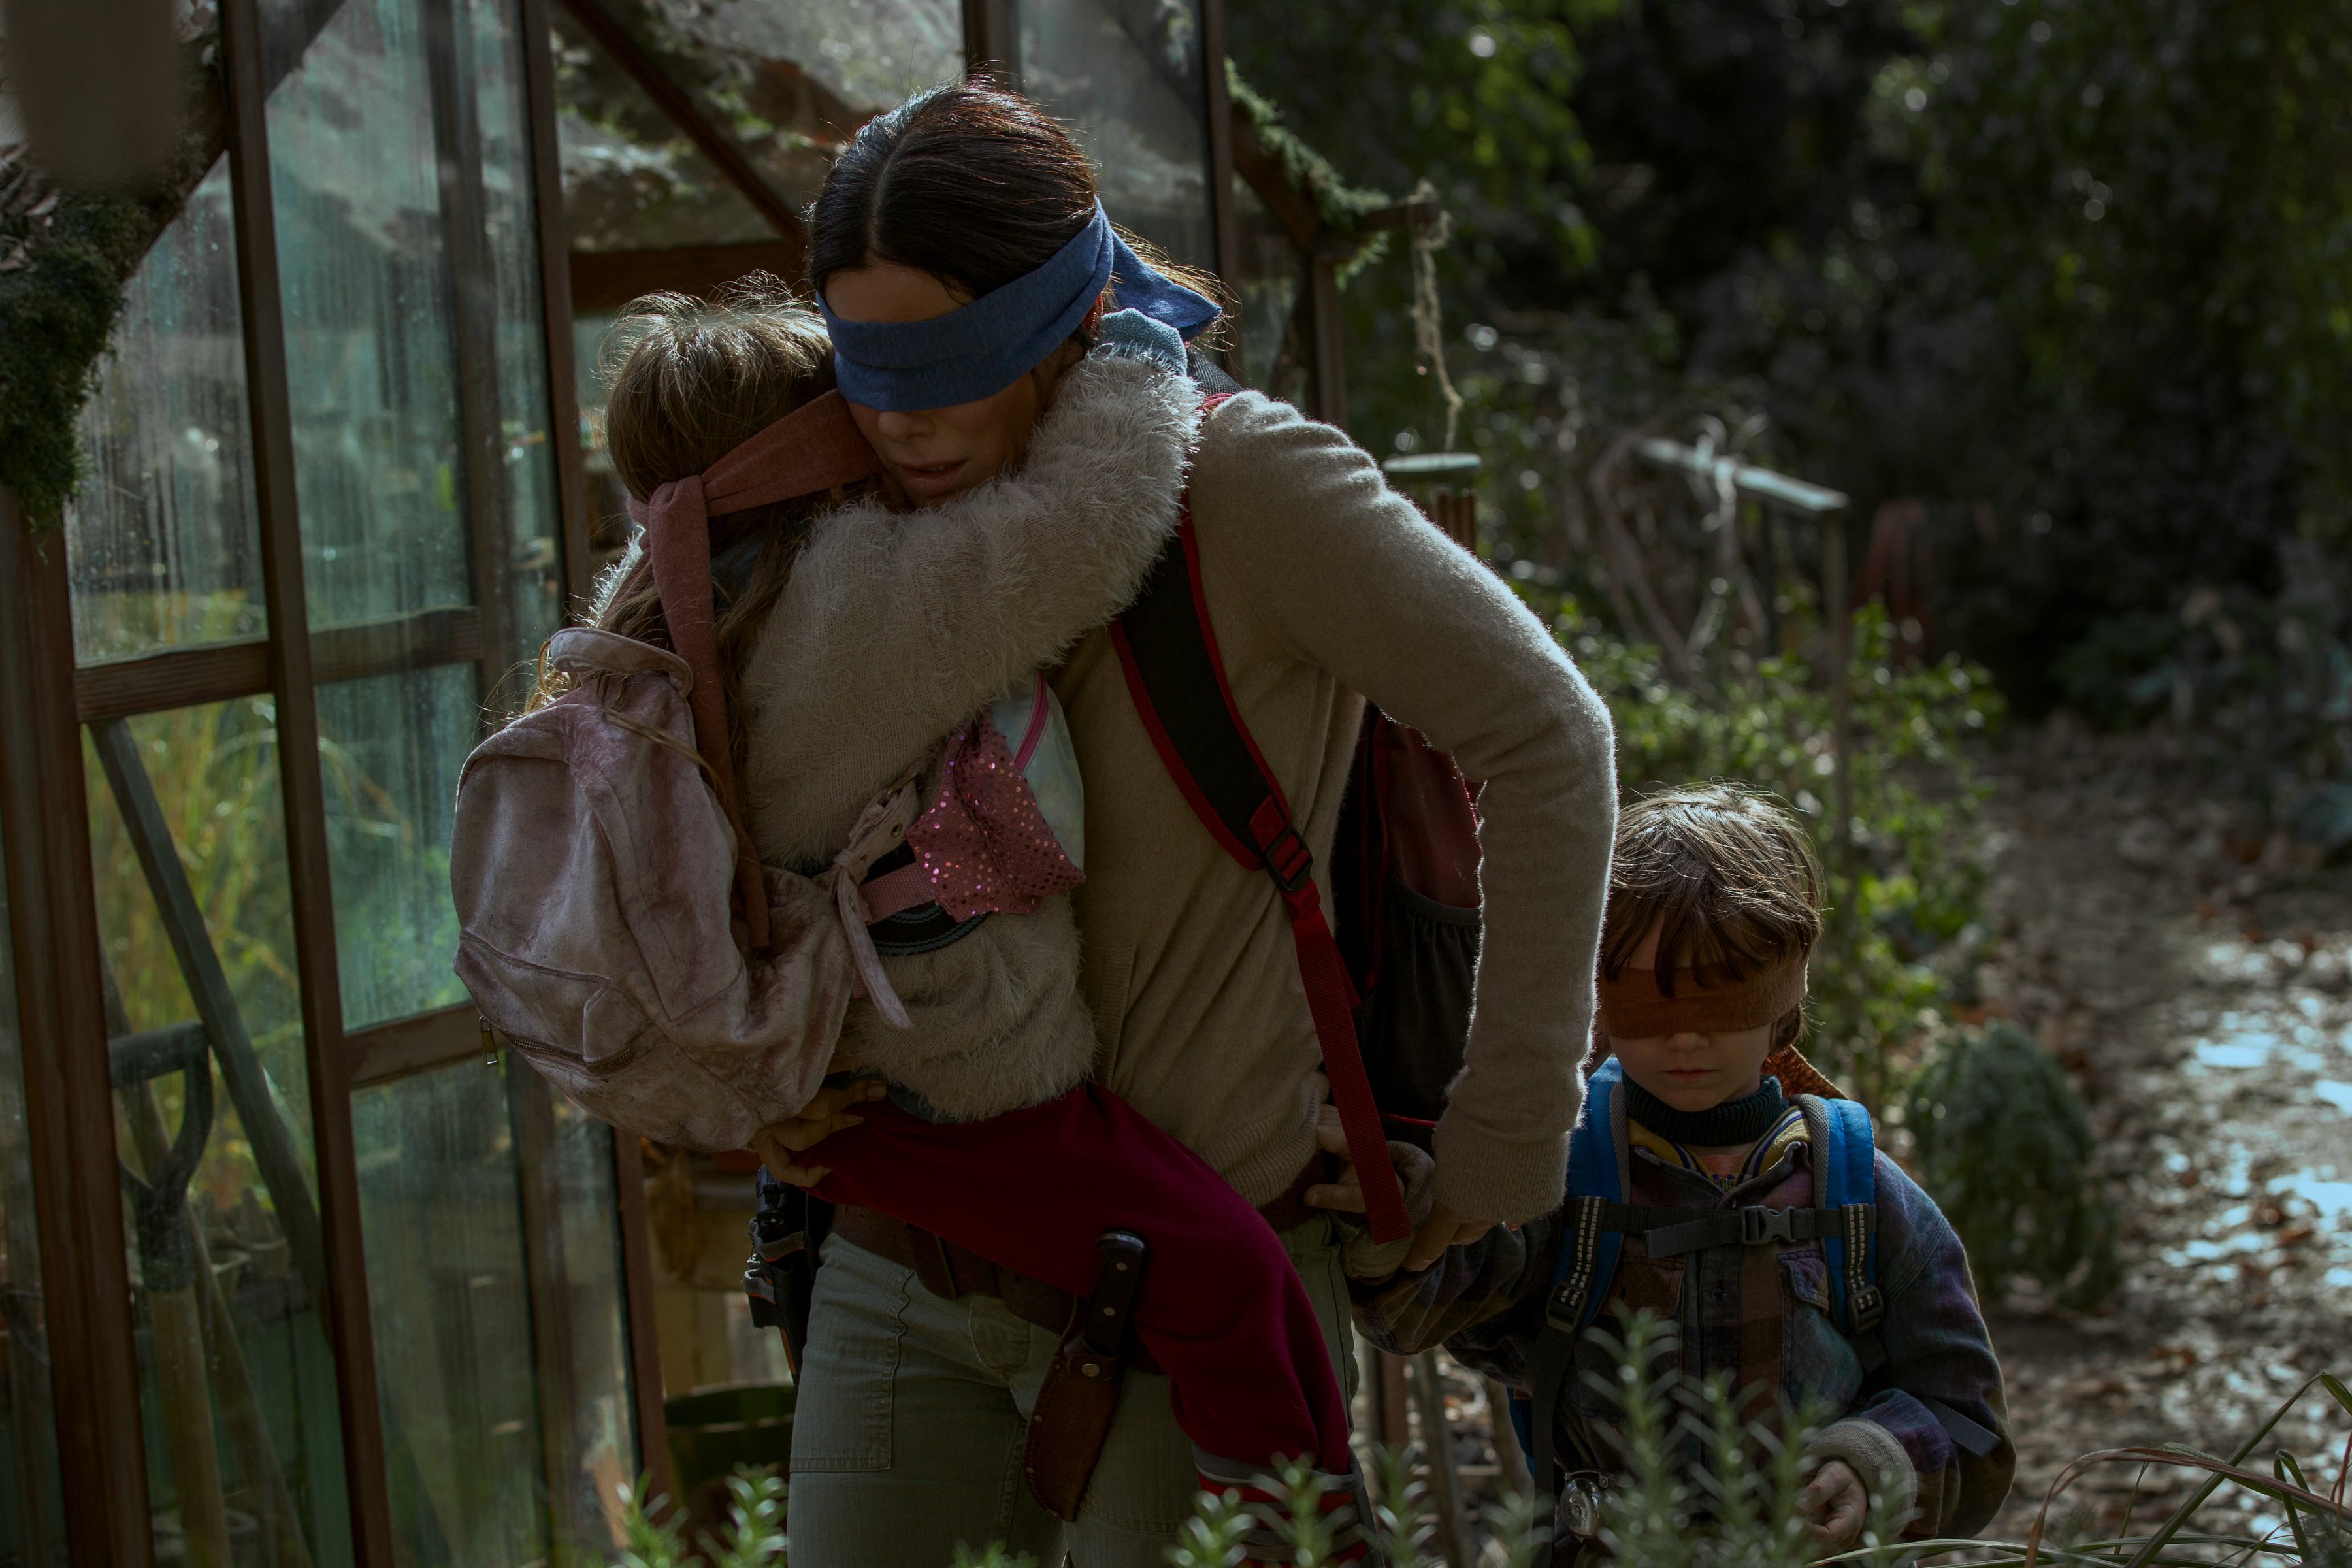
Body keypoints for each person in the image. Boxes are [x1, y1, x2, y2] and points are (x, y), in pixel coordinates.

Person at [759, 82, 1622, 1567]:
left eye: (947, 362)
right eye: (867, 367)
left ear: (1062, 317)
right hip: (898, 1254)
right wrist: (739, 1069)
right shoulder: (843, 502)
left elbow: (1549, 734)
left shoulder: (1242, 483)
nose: (901, 419)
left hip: (1189, 1284)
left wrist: (1498, 1145)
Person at [580, 282, 1374, 1540]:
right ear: (808, 451)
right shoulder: (845, 602)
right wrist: (1128, 350)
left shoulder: (657, 609)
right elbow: (1088, 527)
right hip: (972, 1087)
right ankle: (1306, 1527)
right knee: (1231, 1283)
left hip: (845, 1102)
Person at [1339, 785, 2014, 1559]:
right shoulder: (1558, 1180)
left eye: (1721, 989)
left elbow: (1970, 1421)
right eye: (1646, 995)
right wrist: (1398, 1208)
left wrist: (1875, 1463)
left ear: (1783, 990)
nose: (1684, 1036)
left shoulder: (1860, 1195)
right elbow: (1414, 1310)